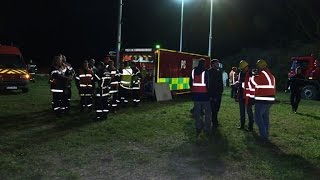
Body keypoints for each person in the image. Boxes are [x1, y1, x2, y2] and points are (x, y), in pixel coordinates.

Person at [250, 59, 276, 142]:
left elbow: (254, 82)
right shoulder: (270, 74)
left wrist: (253, 75)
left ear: (260, 67)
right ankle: (266, 134)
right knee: (265, 118)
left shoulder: (262, 74)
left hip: (262, 99)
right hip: (270, 99)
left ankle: (263, 136)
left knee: (257, 117)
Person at [189, 58, 211, 136]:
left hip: (196, 95)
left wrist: (193, 91)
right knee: (207, 112)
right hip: (205, 95)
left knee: (197, 112)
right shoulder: (206, 71)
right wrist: (209, 93)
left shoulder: (193, 71)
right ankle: (207, 128)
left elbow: (190, 82)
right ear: (204, 64)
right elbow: (208, 83)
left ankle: (198, 126)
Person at [236, 60, 254, 131]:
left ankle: (250, 127)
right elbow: (241, 83)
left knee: (249, 112)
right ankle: (242, 125)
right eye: (241, 68)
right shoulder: (240, 73)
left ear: (246, 67)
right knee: (242, 112)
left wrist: (240, 84)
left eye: (243, 68)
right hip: (241, 95)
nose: (242, 69)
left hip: (248, 96)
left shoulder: (250, 74)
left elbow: (250, 85)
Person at [208, 59, 223, 129]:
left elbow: (220, 83)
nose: (218, 65)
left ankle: (215, 121)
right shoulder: (208, 72)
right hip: (212, 94)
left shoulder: (219, 72)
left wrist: (221, 91)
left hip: (218, 94)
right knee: (211, 108)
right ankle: (213, 121)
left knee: (216, 108)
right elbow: (209, 84)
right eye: (217, 64)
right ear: (213, 64)